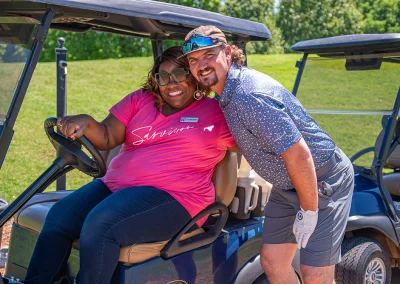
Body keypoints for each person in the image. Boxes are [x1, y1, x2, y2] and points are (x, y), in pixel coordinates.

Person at [24, 46, 237, 284]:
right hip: (117, 186)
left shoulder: (215, 114)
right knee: (59, 217)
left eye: (180, 74)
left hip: (178, 198)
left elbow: (251, 143)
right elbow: (106, 135)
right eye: (163, 76)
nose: (171, 83)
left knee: (101, 224)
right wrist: (84, 122)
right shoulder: (141, 100)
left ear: (194, 77)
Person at [181, 26, 354, 284]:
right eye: (194, 60)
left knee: (315, 275)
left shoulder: (248, 96)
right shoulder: (224, 95)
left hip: (322, 181)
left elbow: (300, 156)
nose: (201, 65)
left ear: (227, 53)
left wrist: (309, 212)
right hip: (287, 186)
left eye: (209, 55)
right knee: (273, 262)